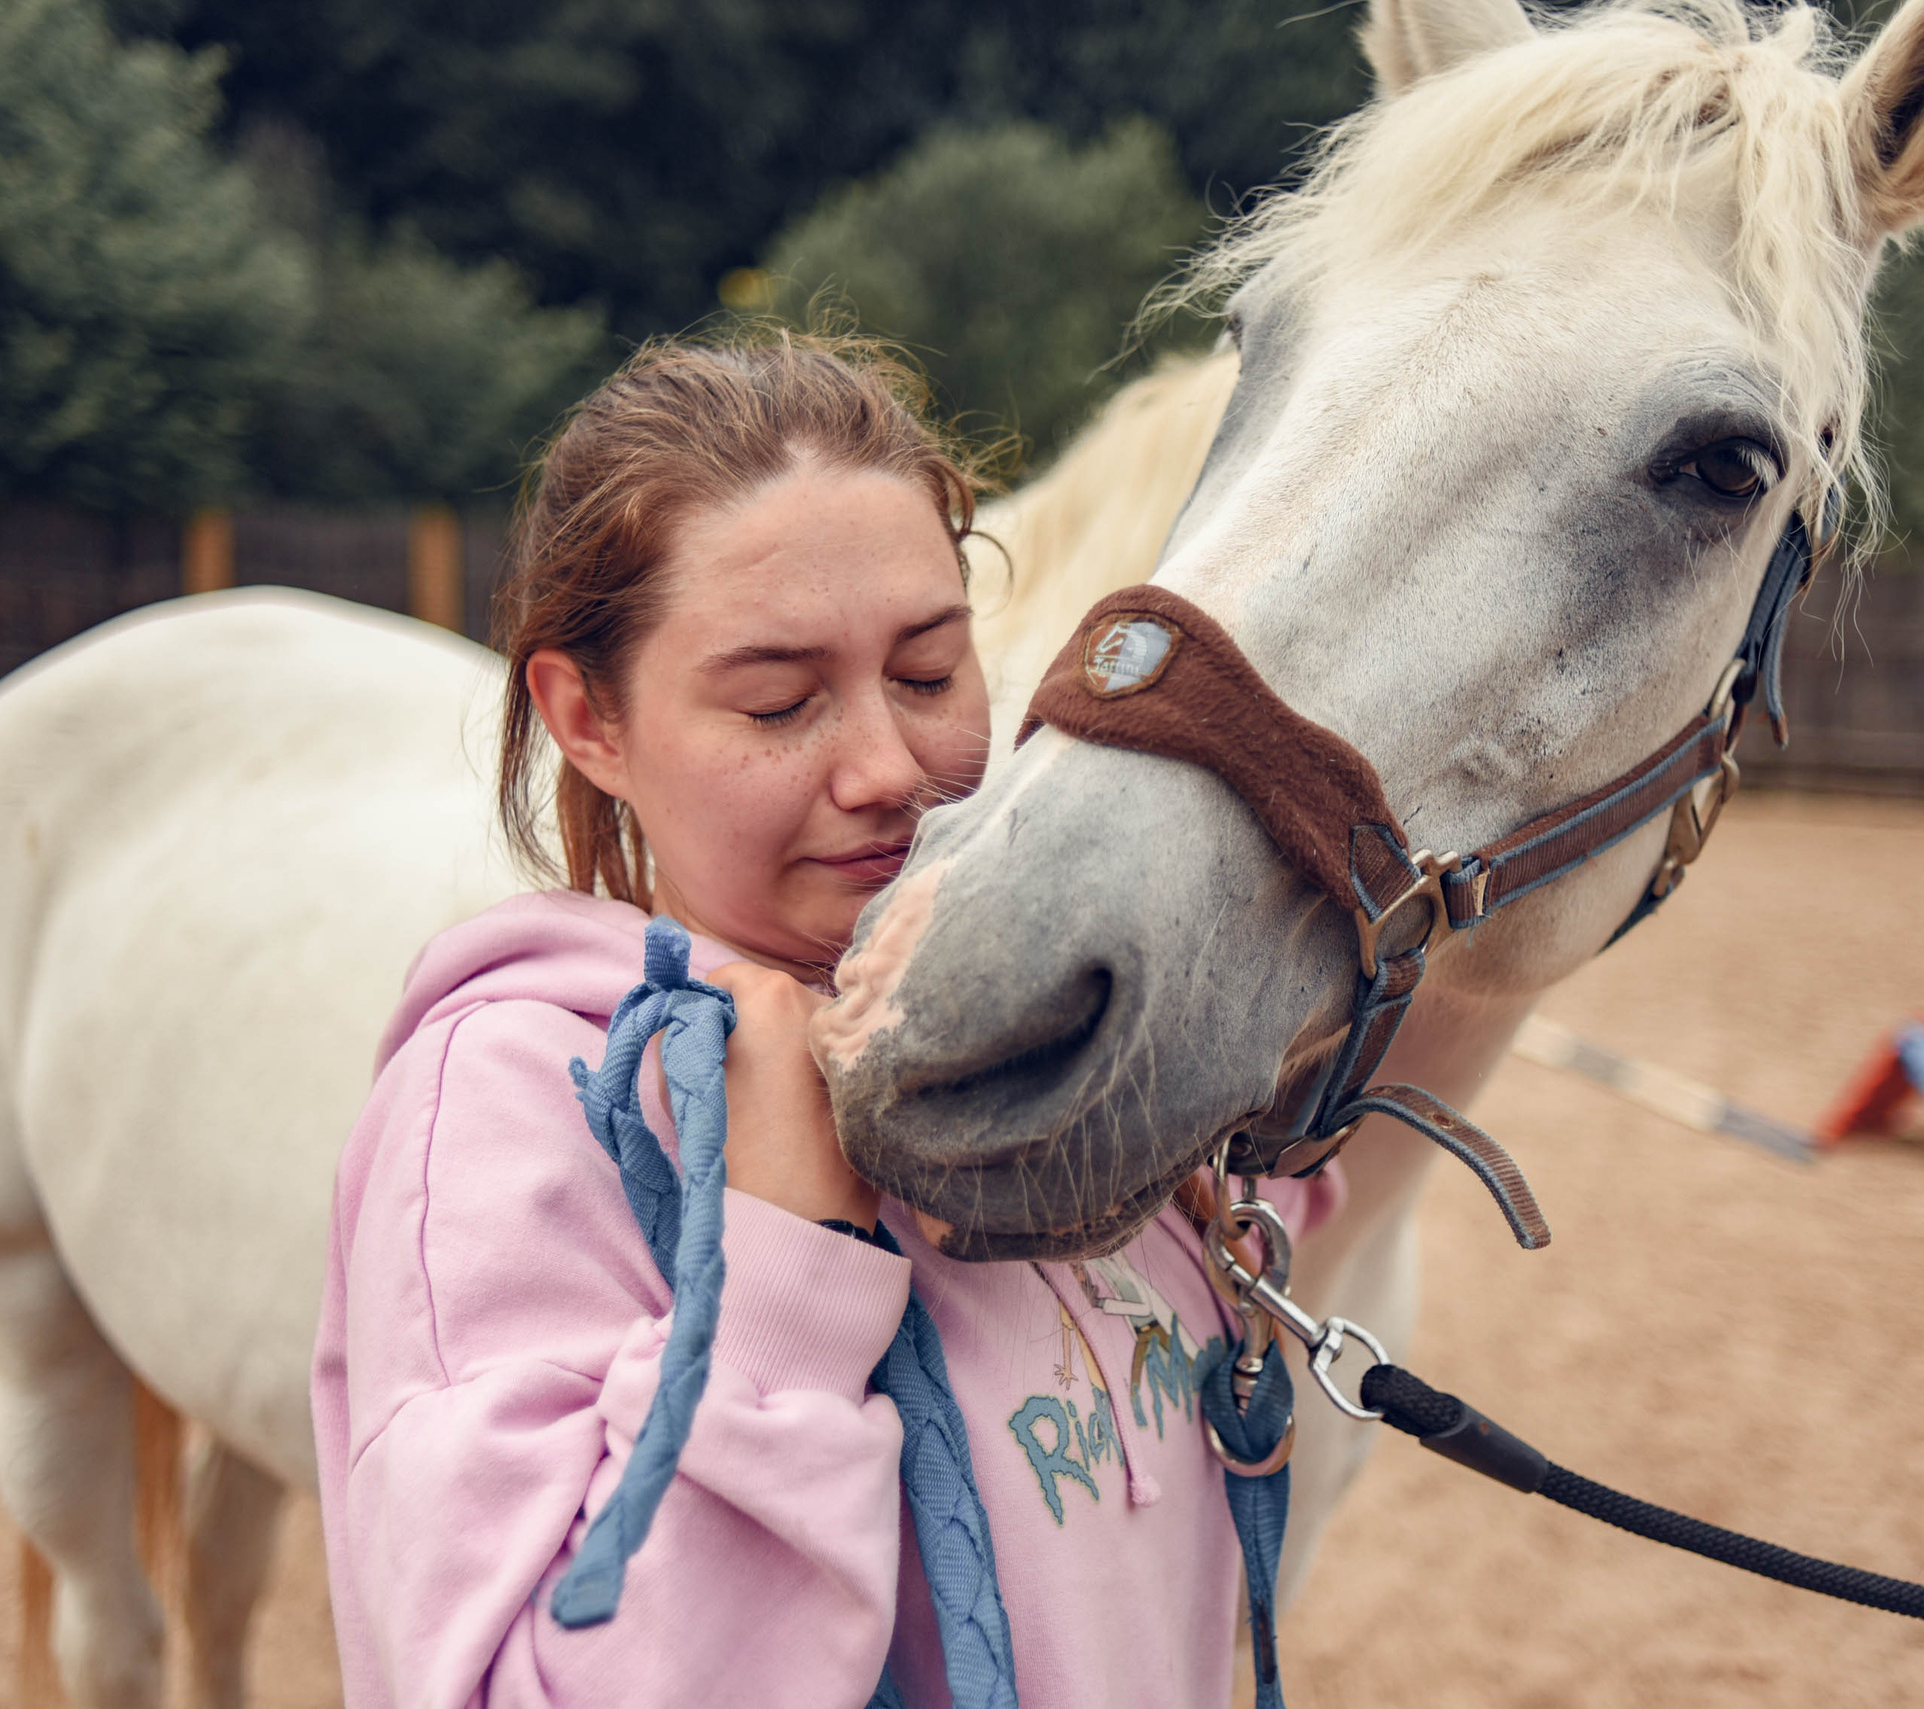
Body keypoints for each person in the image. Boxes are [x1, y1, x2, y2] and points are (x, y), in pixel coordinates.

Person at [310, 334, 1340, 1709]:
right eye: (780, 702)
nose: (888, 769)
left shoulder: (1058, 1048)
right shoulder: (507, 1118)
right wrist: (784, 1273)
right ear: (589, 719)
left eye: (927, 674)